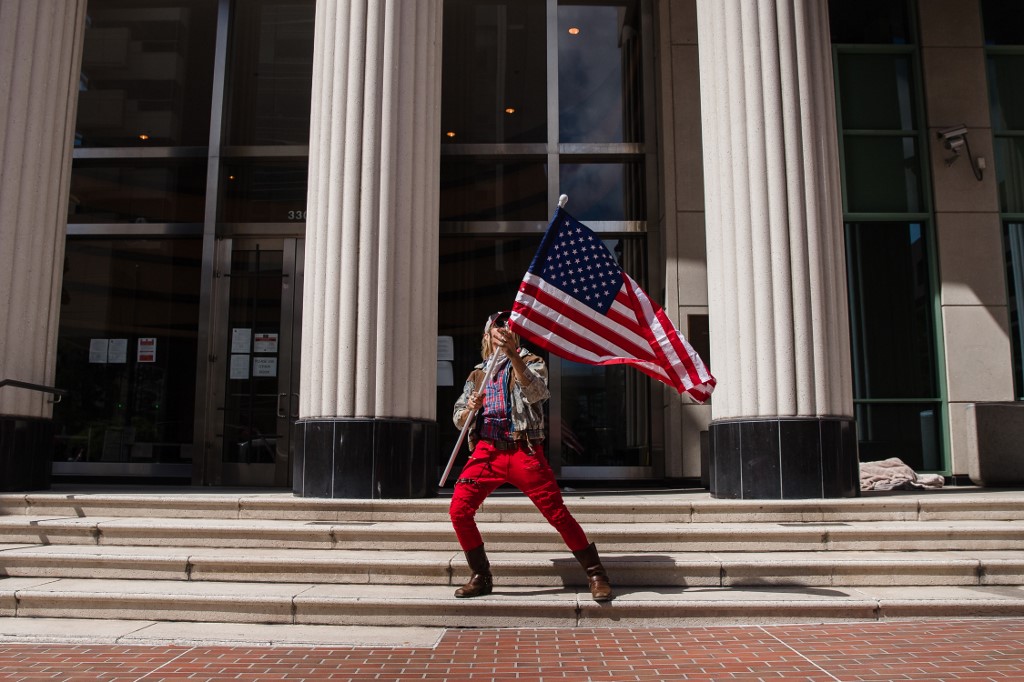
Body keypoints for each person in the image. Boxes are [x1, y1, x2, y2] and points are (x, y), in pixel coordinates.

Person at [449, 310, 613, 601]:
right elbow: (459, 418)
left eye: (507, 329)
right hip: (487, 452)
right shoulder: (477, 373)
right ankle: (481, 575)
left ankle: (596, 573)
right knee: (459, 510)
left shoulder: (531, 362)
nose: (501, 332)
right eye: (496, 329)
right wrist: (469, 409)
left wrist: (514, 358)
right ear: (487, 336)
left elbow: (538, 393)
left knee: (556, 513)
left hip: (523, 449)